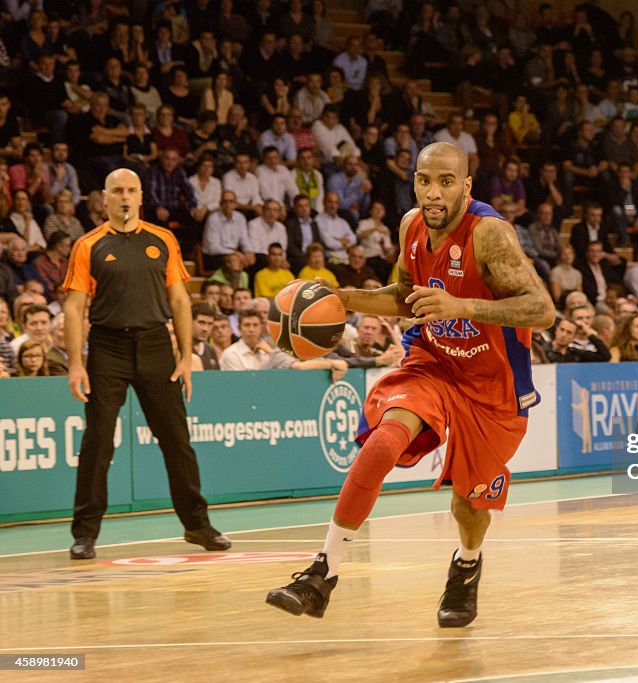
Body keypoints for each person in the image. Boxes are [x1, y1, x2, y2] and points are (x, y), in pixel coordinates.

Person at [266, 142, 555, 627]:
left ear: (466, 185)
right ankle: (321, 575)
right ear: (414, 181)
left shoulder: (490, 235)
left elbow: (541, 309)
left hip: (492, 385)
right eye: (424, 180)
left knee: (469, 503)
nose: (433, 192)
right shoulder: (411, 226)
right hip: (433, 362)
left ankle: (466, 564)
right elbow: (405, 296)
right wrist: (343, 298)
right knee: (383, 441)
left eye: (446, 181)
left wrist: (463, 307)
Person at [62, 168, 230, 561]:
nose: (124, 197)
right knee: (97, 442)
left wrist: (186, 356)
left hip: (156, 344)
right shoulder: (89, 245)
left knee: (176, 440)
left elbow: (180, 302)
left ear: (140, 197)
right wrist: (75, 362)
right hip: (107, 346)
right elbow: (74, 308)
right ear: (103, 199)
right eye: (117, 191)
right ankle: (85, 533)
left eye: (131, 191)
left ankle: (197, 525)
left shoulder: (163, 239)